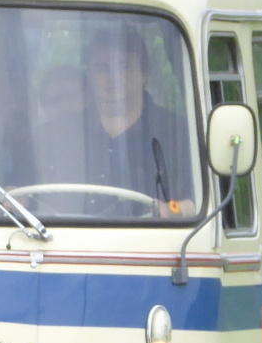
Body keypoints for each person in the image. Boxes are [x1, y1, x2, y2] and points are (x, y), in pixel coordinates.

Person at [39, 21, 194, 217]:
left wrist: (175, 211)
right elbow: (17, 192)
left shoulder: (178, 134)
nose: (112, 78)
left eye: (123, 66)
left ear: (144, 73)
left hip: (152, 235)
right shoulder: (57, 133)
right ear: (90, 75)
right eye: (101, 68)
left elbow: (202, 202)